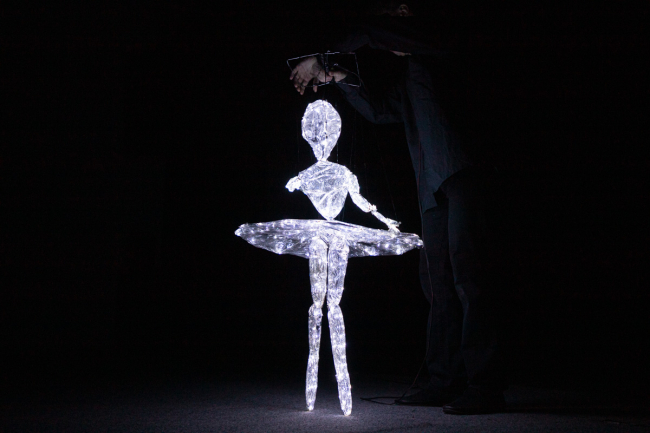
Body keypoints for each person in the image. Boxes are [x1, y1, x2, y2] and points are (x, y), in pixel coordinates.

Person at [289, 1, 505, 415]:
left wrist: (322, 56)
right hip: (433, 185)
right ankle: (444, 379)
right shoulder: (410, 69)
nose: (391, 24)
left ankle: (485, 384)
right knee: (436, 282)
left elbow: (372, 32)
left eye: (396, 15)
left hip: (463, 172)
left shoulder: (439, 41)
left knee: (469, 276)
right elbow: (381, 110)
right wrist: (338, 76)